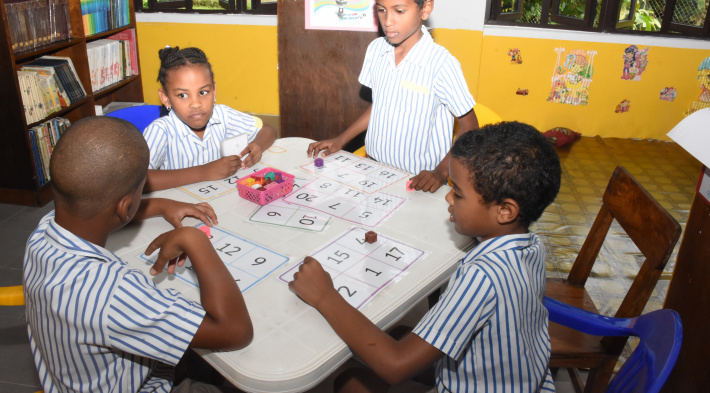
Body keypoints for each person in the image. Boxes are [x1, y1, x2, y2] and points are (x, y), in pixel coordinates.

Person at [291, 121, 561, 392]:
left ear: (505, 211)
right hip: (523, 380)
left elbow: (396, 366)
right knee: (397, 334)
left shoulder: (482, 275)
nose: (449, 199)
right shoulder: (531, 245)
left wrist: (325, 295)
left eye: (458, 193)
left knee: (350, 384)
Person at [24, 116, 253, 392]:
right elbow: (236, 331)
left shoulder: (43, 231)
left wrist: (159, 204)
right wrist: (194, 239)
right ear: (126, 205)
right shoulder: (113, 292)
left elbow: (96, 208)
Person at [307, 0, 479, 193]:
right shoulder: (376, 50)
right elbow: (380, 105)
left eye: (399, 11)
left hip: (420, 181)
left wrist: (440, 172)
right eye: (381, 10)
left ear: (425, 8)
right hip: (374, 169)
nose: (388, 21)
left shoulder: (441, 64)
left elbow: (470, 126)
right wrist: (340, 139)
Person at [143, 46, 277, 191]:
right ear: (165, 98)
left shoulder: (223, 115)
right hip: (179, 209)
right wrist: (203, 172)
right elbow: (138, 181)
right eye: (182, 95)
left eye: (203, 92)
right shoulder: (160, 131)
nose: (196, 104)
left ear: (214, 91)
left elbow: (268, 130)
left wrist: (257, 146)